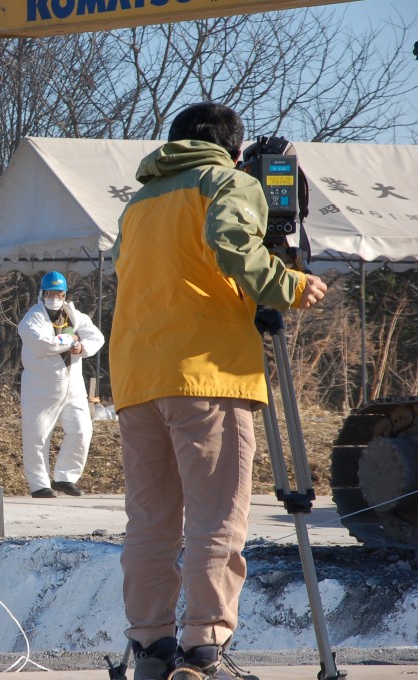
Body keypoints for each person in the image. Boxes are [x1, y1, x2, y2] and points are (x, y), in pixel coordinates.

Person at [110, 102, 327, 680]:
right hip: (207, 373)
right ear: (234, 152)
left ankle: (151, 649)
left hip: (136, 377)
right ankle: (203, 650)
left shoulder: (140, 203)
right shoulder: (225, 182)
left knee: (151, 521)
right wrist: (289, 285)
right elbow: (232, 240)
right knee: (216, 517)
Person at [18, 271, 105, 499]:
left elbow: (97, 337)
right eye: (50, 293)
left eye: (58, 293)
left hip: (73, 386)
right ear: (42, 293)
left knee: (81, 430)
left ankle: (65, 478)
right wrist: (71, 341)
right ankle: (39, 485)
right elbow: (41, 344)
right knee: (37, 436)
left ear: (65, 294)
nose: (54, 297)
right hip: (41, 387)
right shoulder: (32, 318)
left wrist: (82, 346)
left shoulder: (74, 315)